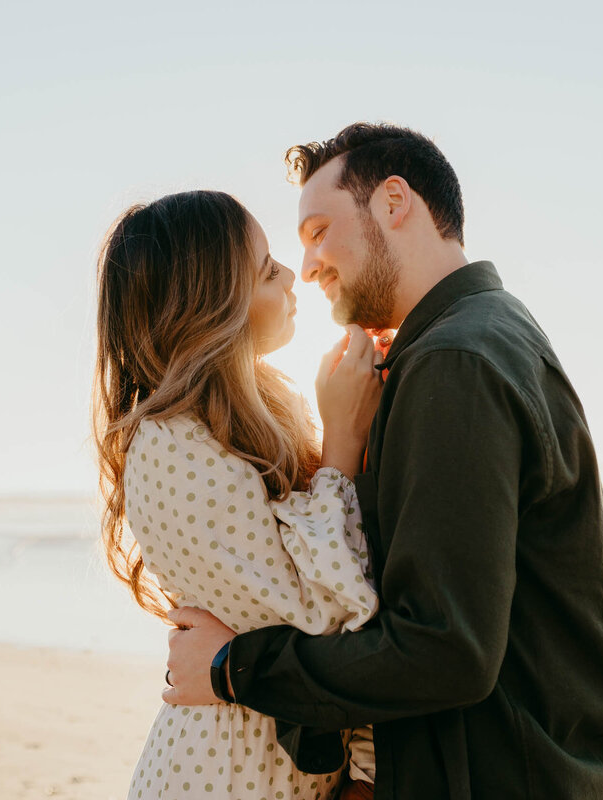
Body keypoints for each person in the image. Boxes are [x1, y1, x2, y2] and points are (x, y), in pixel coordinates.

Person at [163, 124, 603, 799]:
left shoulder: (455, 362)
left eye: (317, 232)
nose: (306, 266)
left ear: (395, 203)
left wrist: (232, 669)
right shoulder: (480, 334)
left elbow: (443, 649)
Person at [92, 190, 388, 799]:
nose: (292, 277)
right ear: (210, 307)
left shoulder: (260, 414)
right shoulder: (172, 447)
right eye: (265, 270)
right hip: (225, 776)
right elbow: (321, 621)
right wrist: (342, 440)